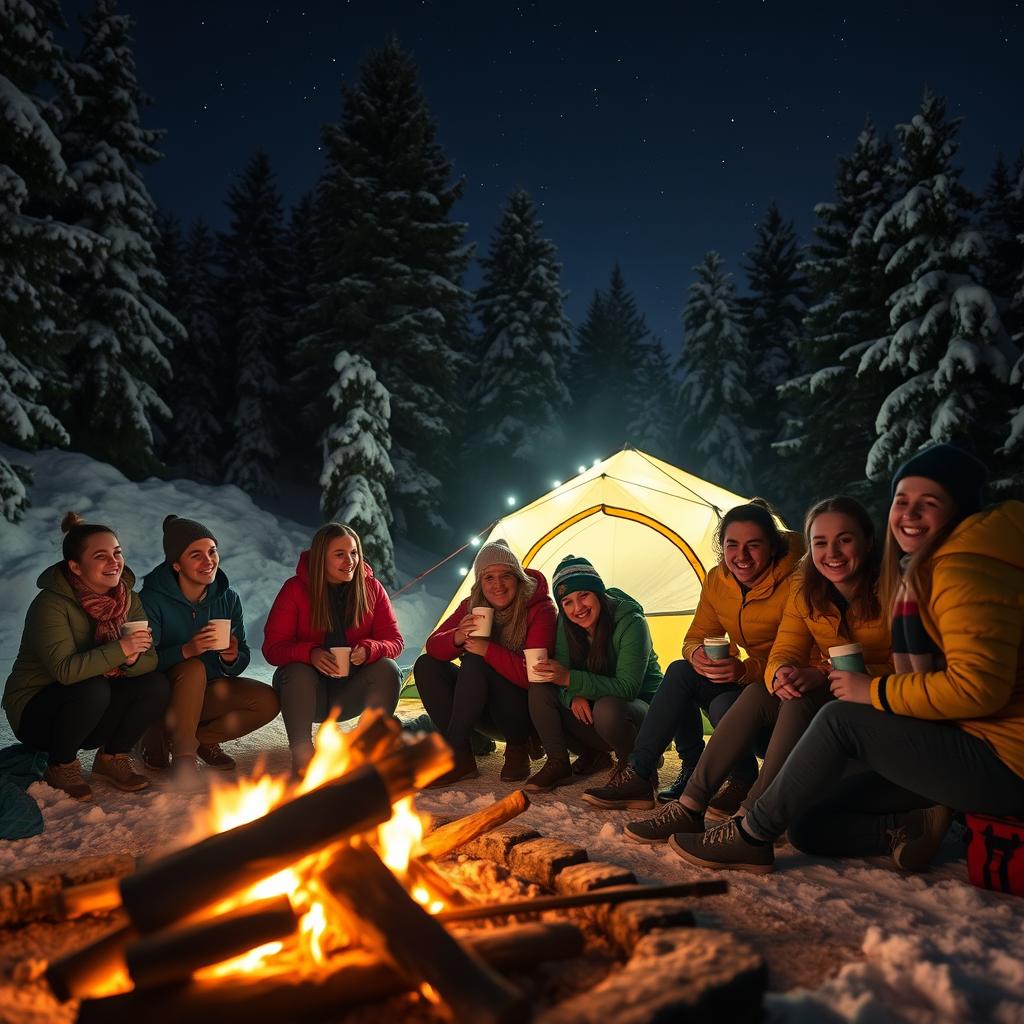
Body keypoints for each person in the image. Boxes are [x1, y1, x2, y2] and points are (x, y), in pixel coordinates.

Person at [670, 444, 1024, 874]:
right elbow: (787, 646)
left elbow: (973, 688)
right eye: (902, 501)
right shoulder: (915, 572)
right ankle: (910, 825)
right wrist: (783, 670)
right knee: (805, 824)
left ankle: (751, 829)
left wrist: (861, 685)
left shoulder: (954, 571)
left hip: (1000, 755)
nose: (910, 515)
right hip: (940, 734)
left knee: (836, 716)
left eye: (928, 503)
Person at [624, 495, 891, 843]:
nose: (742, 556)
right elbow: (784, 650)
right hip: (791, 684)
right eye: (821, 543)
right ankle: (681, 800)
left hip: (862, 697)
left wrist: (753, 671)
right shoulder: (807, 587)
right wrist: (706, 657)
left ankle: (750, 816)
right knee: (683, 671)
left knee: (756, 699)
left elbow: (916, 664)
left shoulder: (884, 587)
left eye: (845, 540)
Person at [581, 499, 802, 811]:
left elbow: (805, 655)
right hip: (748, 678)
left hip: (784, 687)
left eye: (754, 545)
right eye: (732, 545)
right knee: (682, 670)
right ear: (722, 547)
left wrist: (745, 670)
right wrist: (697, 652)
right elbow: (695, 635)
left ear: (772, 546)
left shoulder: (797, 580)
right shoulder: (717, 580)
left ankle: (742, 780)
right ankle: (640, 774)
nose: (741, 556)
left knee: (726, 702)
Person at [2, 513, 168, 800]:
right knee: (93, 687)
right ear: (75, 567)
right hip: (37, 711)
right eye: (101, 556)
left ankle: (111, 758)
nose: (114, 562)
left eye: (117, 553)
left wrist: (132, 660)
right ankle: (60, 764)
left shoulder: (128, 599)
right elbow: (65, 671)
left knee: (155, 684)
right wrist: (122, 649)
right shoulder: (51, 604)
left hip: (92, 706)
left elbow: (149, 658)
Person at [139, 515, 279, 786]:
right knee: (193, 667)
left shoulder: (228, 598)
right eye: (196, 555)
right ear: (177, 564)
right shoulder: (151, 600)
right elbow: (140, 664)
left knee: (266, 701)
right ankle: (182, 756)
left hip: (209, 694)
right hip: (163, 700)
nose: (209, 561)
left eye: (212, 551)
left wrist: (230, 657)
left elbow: (242, 657)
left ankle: (199, 739)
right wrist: (186, 651)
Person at [264, 523, 403, 776]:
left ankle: (369, 746)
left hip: (350, 692)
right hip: (306, 696)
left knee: (387, 668)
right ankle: (303, 753)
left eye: (353, 553)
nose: (350, 561)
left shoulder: (371, 588)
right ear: (320, 559)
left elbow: (394, 641)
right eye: (340, 554)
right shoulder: (295, 590)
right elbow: (273, 649)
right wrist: (310, 654)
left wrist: (370, 649)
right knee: (296, 671)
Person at [416, 540, 556, 786]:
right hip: (480, 710)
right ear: (480, 582)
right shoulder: (472, 605)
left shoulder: (539, 609)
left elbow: (534, 676)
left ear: (518, 578)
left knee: (476, 661)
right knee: (426, 665)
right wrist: (457, 637)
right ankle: (460, 755)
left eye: (505, 576)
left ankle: (518, 749)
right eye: (489, 577)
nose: (497, 585)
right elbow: (433, 646)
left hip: (521, 713)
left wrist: (488, 650)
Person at [525, 555, 662, 792]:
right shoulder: (565, 624)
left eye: (584, 595)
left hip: (642, 716)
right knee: (541, 687)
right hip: (598, 711)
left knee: (607, 707)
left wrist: (570, 680)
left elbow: (627, 687)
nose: (577, 608)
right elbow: (561, 673)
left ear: (598, 592)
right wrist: (572, 694)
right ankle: (560, 762)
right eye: (567, 602)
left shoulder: (631, 622)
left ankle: (639, 765)